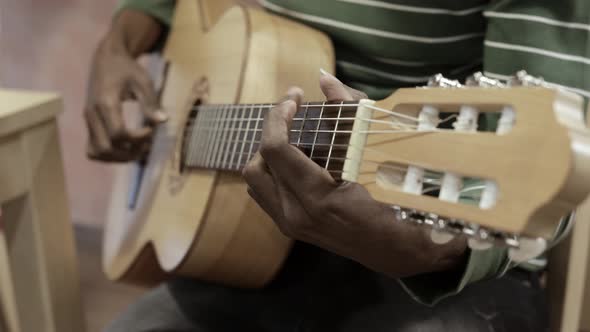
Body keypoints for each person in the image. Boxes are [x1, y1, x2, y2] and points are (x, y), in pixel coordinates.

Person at [84, 0, 588, 331]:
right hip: (246, 232)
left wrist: (428, 252)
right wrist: (119, 42)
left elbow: (550, 160)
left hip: (431, 233)